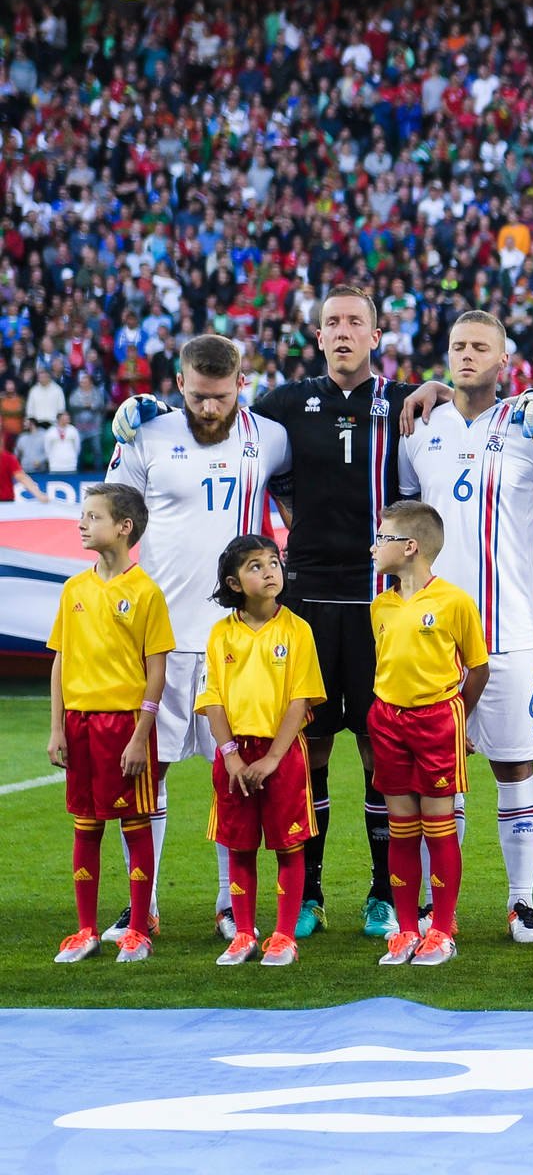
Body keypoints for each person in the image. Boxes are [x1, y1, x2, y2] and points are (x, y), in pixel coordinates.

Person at [113, 285, 533, 942]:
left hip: (383, 605)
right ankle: (310, 893)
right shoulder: (283, 408)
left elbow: (422, 476)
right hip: (307, 601)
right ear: (318, 336)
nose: (344, 332)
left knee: (385, 752)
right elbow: (220, 420)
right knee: (307, 752)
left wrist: (441, 381)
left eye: (356, 322)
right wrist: (146, 410)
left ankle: (384, 895)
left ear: (376, 335)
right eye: (332, 324)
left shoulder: (409, 405)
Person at [101, 333, 291, 945]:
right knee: (146, 778)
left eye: (221, 397)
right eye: (199, 397)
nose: (210, 409)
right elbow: (112, 520)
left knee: (230, 777)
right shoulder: (146, 436)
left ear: (242, 384)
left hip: (233, 646)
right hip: (156, 641)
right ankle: (142, 905)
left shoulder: (271, 437)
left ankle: (229, 904)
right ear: (179, 385)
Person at [399, 310, 533, 946]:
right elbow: (402, 524)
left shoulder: (531, 427)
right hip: (432, 635)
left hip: (511, 629)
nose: (467, 356)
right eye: (458, 346)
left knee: (515, 766)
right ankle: (432, 906)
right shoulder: (420, 430)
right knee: (437, 774)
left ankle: (521, 902)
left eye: (481, 348)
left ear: (504, 360)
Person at [46, 483, 173, 964]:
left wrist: (142, 734)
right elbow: (60, 661)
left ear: (124, 527)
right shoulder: (74, 589)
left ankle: (139, 929)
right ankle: (85, 930)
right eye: (82, 516)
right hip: (79, 725)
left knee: (135, 825)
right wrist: (57, 727)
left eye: (93, 517)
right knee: (85, 826)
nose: (82, 524)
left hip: (124, 728)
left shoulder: (146, 593)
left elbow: (156, 669)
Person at [365, 501, 490, 967]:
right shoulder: (381, 604)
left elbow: (478, 669)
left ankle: (441, 929)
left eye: (383, 538)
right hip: (388, 720)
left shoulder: (454, 601)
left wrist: (458, 717)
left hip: (437, 720)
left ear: (410, 546)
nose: (375, 547)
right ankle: (405, 930)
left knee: (438, 828)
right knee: (400, 829)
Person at [196, 535, 327, 967]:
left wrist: (272, 758)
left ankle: (284, 936)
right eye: (256, 566)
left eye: (274, 562)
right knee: (240, 847)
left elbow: (300, 699)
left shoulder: (297, 629)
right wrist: (231, 754)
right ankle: (245, 934)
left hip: (282, 754)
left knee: (289, 847)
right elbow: (212, 698)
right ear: (234, 583)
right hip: (235, 757)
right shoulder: (220, 634)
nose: (270, 570)